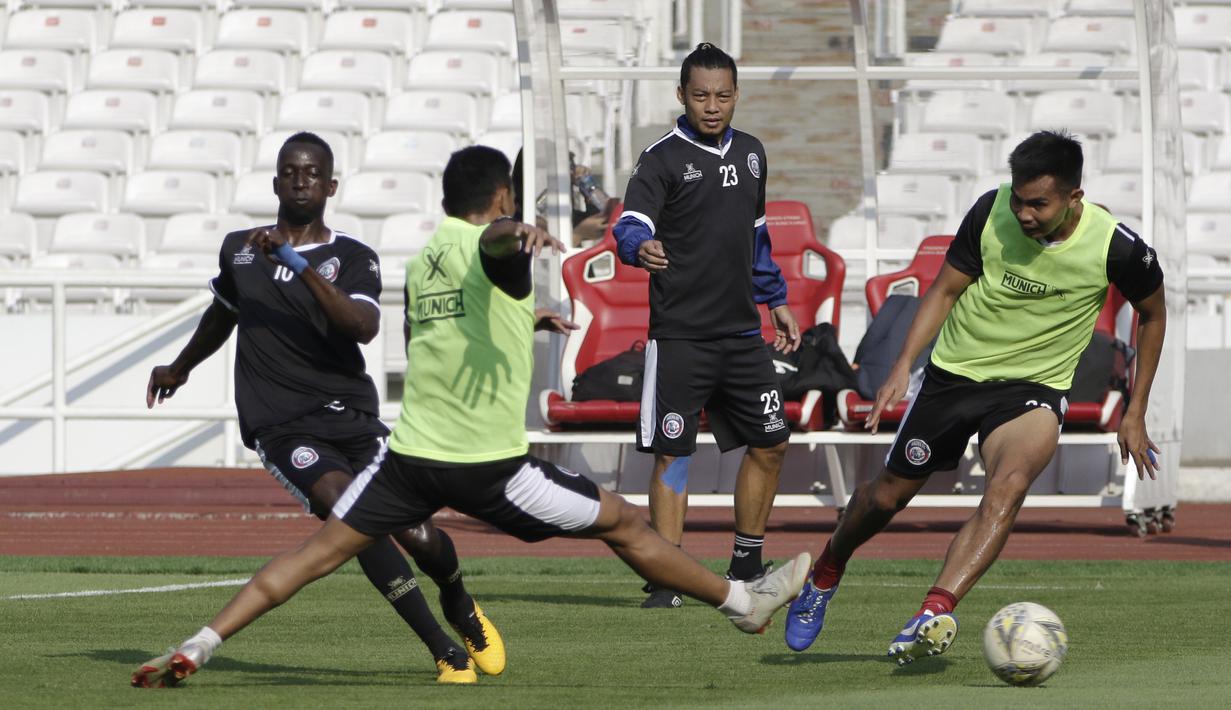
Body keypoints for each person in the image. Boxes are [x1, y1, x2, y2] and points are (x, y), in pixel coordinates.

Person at [131, 145, 812, 688]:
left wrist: (525, 311)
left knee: (314, 556)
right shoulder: (492, 247)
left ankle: (199, 644)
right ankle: (739, 603)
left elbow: (467, 304)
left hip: (407, 462)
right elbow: (493, 253)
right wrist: (517, 235)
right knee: (624, 525)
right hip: (487, 469)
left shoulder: (427, 257)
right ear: (500, 200)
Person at [782, 130, 1166, 664]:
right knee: (886, 497)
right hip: (953, 375)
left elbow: (1153, 315)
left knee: (1006, 490)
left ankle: (931, 612)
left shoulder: (1118, 247)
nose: (1025, 213)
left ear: (1074, 198)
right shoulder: (990, 212)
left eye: (1039, 203)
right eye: (1019, 198)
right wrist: (900, 368)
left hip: (1034, 389)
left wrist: (1135, 410)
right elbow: (943, 290)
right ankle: (826, 571)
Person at [135, 132, 502, 686]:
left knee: (418, 533)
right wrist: (180, 367)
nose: (300, 180)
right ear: (277, 181)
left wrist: (294, 263)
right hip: (281, 426)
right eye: (290, 171)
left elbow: (362, 327)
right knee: (349, 511)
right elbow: (223, 313)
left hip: (352, 417)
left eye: (312, 173)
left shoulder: (353, 257)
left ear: (331, 186)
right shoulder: (240, 248)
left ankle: (458, 599)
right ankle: (441, 647)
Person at [612, 42, 802, 608]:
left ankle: (746, 563)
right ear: (681, 96)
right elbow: (630, 223)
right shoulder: (661, 158)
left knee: (771, 444)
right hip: (681, 338)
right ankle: (669, 577)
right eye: (700, 95)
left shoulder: (751, 153)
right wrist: (637, 246)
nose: (712, 105)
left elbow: (757, 238)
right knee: (675, 453)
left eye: (722, 95)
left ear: (737, 95)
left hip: (742, 336)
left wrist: (776, 299)